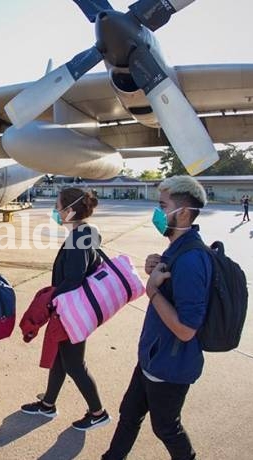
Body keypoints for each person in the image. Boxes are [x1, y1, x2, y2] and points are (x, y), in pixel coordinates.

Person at [102, 175, 212, 460]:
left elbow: (187, 330)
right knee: (129, 414)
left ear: (184, 213)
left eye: (163, 206)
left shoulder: (190, 259)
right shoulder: (177, 250)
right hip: (153, 358)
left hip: (170, 366)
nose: (158, 213)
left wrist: (152, 291)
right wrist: (157, 265)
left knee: (166, 428)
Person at [20, 188, 110, 431]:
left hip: (72, 310)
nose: (55, 211)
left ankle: (98, 412)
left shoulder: (80, 237)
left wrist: (51, 299)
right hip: (71, 308)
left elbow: (74, 277)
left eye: (58, 206)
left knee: (74, 364)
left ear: (70, 210)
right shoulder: (85, 233)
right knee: (61, 358)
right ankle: (48, 404)